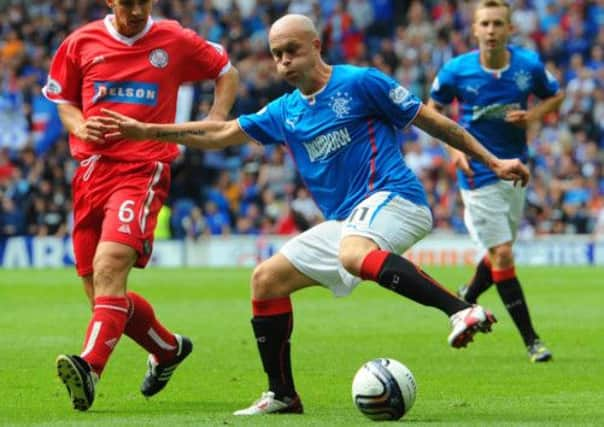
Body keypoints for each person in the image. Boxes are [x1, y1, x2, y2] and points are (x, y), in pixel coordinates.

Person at [100, 14, 529, 416]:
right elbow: (222, 133)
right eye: (276, 54)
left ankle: (460, 309)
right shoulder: (285, 111)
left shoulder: (360, 83)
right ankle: (282, 394)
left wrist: (493, 162)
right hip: (349, 221)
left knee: (352, 251)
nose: (284, 60)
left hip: (395, 198)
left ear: (316, 46)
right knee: (267, 280)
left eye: (292, 50)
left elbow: (434, 123)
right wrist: (148, 130)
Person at [42, 0, 239, 411]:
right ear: (110, 1)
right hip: (90, 173)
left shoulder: (173, 39)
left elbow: (225, 70)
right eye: (128, 2)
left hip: (142, 167)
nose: (136, 11)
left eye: (143, 2)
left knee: (110, 268)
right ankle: (168, 349)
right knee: (101, 295)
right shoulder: (80, 43)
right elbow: (62, 98)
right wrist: (79, 124)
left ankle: (89, 369)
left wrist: (215, 120)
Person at [427, 0, 564, 363]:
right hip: (477, 171)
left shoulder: (528, 66)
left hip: (516, 168)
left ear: (509, 30)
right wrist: (452, 152)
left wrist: (533, 115)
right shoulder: (457, 70)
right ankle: (532, 341)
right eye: (484, 24)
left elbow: (557, 95)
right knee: (502, 253)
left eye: (497, 24)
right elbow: (432, 110)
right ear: (474, 30)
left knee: (497, 254)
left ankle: (466, 296)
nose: (490, 30)